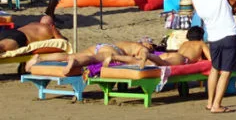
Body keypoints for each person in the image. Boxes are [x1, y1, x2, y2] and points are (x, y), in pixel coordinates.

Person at [192, 0, 236, 113]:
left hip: (213, 36)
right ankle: (217, 105)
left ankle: (210, 102)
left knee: (215, 69)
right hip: (228, 33)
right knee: (226, 71)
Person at [28, 38, 157, 77]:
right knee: (92, 60)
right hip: (111, 50)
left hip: (100, 45)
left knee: (68, 55)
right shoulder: (140, 47)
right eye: (151, 45)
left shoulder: (129, 43)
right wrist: (145, 59)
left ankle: (41, 59)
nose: (151, 47)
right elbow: (144, 54)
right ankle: (74, 62)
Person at [0, 15, 64, 52]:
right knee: (2, 47)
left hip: (10, 31)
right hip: (20, 36)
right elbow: (62, 42)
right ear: (52, 24)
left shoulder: (33, 23)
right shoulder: (51, 28)